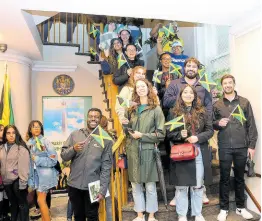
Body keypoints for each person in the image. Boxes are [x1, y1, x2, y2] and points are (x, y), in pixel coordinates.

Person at [213, 74, 258, 221]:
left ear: (234, 84)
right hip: (225, 146)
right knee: (224, 178)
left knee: (239, 178)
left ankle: (240, 208)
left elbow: (251, 125)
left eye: (229, 83)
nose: (227, 85)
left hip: (241, 147)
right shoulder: (217, 105)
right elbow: (211, 124)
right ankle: (224, 209)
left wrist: (251, 146)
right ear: (222, 86)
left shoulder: (244, 102)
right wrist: (218, 123)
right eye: (225, 83)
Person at [167, 85, 213, 221]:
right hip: (182, 153)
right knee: (181, 186)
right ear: (180, 95)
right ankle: (182, 215)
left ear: (194, 95)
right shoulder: (173, 112)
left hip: (198, 151)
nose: (188, 94)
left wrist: (197, 137)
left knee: (197, 185)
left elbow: (210, 131)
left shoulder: (203, 111)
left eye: (191, 92)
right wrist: (180, 135)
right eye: (185, 92)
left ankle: (197, 213)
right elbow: (169, 133)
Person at [123, 79, 165, 221]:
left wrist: (143, 136)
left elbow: (161, 134)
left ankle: (151, 215)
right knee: (135, 185)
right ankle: (140, 214)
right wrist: (125, 125)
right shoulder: (132, 109)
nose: (140, 89)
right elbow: (128, 131)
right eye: (138, 87)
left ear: (148, 89)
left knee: (151, 186)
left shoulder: (156, 109)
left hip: (148, 151)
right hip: (133, 151)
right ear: (135, 91)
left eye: (143, 86)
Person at [61, 108, 113, 221]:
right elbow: (64, 156)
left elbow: (106, 167)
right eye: (91, 116)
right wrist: (73, 149)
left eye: (96, 117)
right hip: (74, 184)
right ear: (87, 118)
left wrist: (103, 189)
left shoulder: (106, 139)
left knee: (93, 216)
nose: (93, 118)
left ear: (100, 119)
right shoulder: (75, 134)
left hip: (94, 186)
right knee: (78, 216)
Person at [27, 120, 58, 221]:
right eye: (33, 126)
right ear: (30, 129)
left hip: (45, 175)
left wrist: (37, 159)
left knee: (40, 200)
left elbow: (53, 160)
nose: (36, 128)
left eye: (38, 126)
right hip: (36, 176)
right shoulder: (29, 143)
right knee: (40, 201)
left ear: (41, 129)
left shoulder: (46, 141)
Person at [0, 125, 30, 221]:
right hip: (6, 182)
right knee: (13, 205)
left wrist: (23, 184)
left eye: (13, 133)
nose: (11, 135)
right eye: (8, 133)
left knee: (22, 205)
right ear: (5, 135)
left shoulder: (21, 148)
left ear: (16, 134)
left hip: (17, 182)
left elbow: (24, 168)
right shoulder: (1, 148)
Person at [0, 124, 10, 221]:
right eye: (1, 130)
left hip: (7, 174)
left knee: (7, 194)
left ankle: (5, 213)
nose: (2, 132)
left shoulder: (7, 144)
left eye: (3, 130)